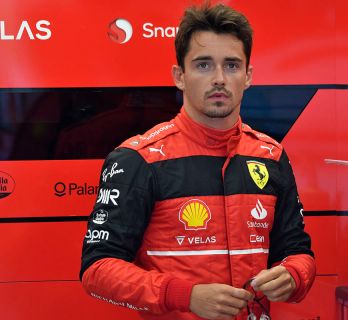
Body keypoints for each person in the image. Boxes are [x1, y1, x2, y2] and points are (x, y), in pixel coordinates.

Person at [80, 3, 315, 320]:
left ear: (247, 76)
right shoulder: (138, 159)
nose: (219, 78)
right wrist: (184, 296)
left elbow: (298, 251)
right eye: (204, 65)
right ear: (180, 76)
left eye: (231, 66)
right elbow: (97, 269)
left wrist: (294, 275)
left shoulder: (270, 155)